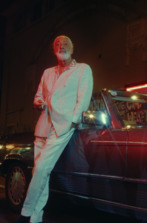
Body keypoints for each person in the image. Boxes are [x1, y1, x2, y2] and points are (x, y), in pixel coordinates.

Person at [16, 35, 93, 223]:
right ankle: (36, 218)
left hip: (62, 127)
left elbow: (83, 99)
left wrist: (72, 120)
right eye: (57, 43)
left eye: (65, 42)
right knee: (40, 173)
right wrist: (38, 102)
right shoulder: (47, 72)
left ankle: (25, 214)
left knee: (42, 169)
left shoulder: (82, 69)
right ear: (53, 50)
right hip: (43, 126)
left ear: (73, 48)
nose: (61, 45)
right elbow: (38, 96)